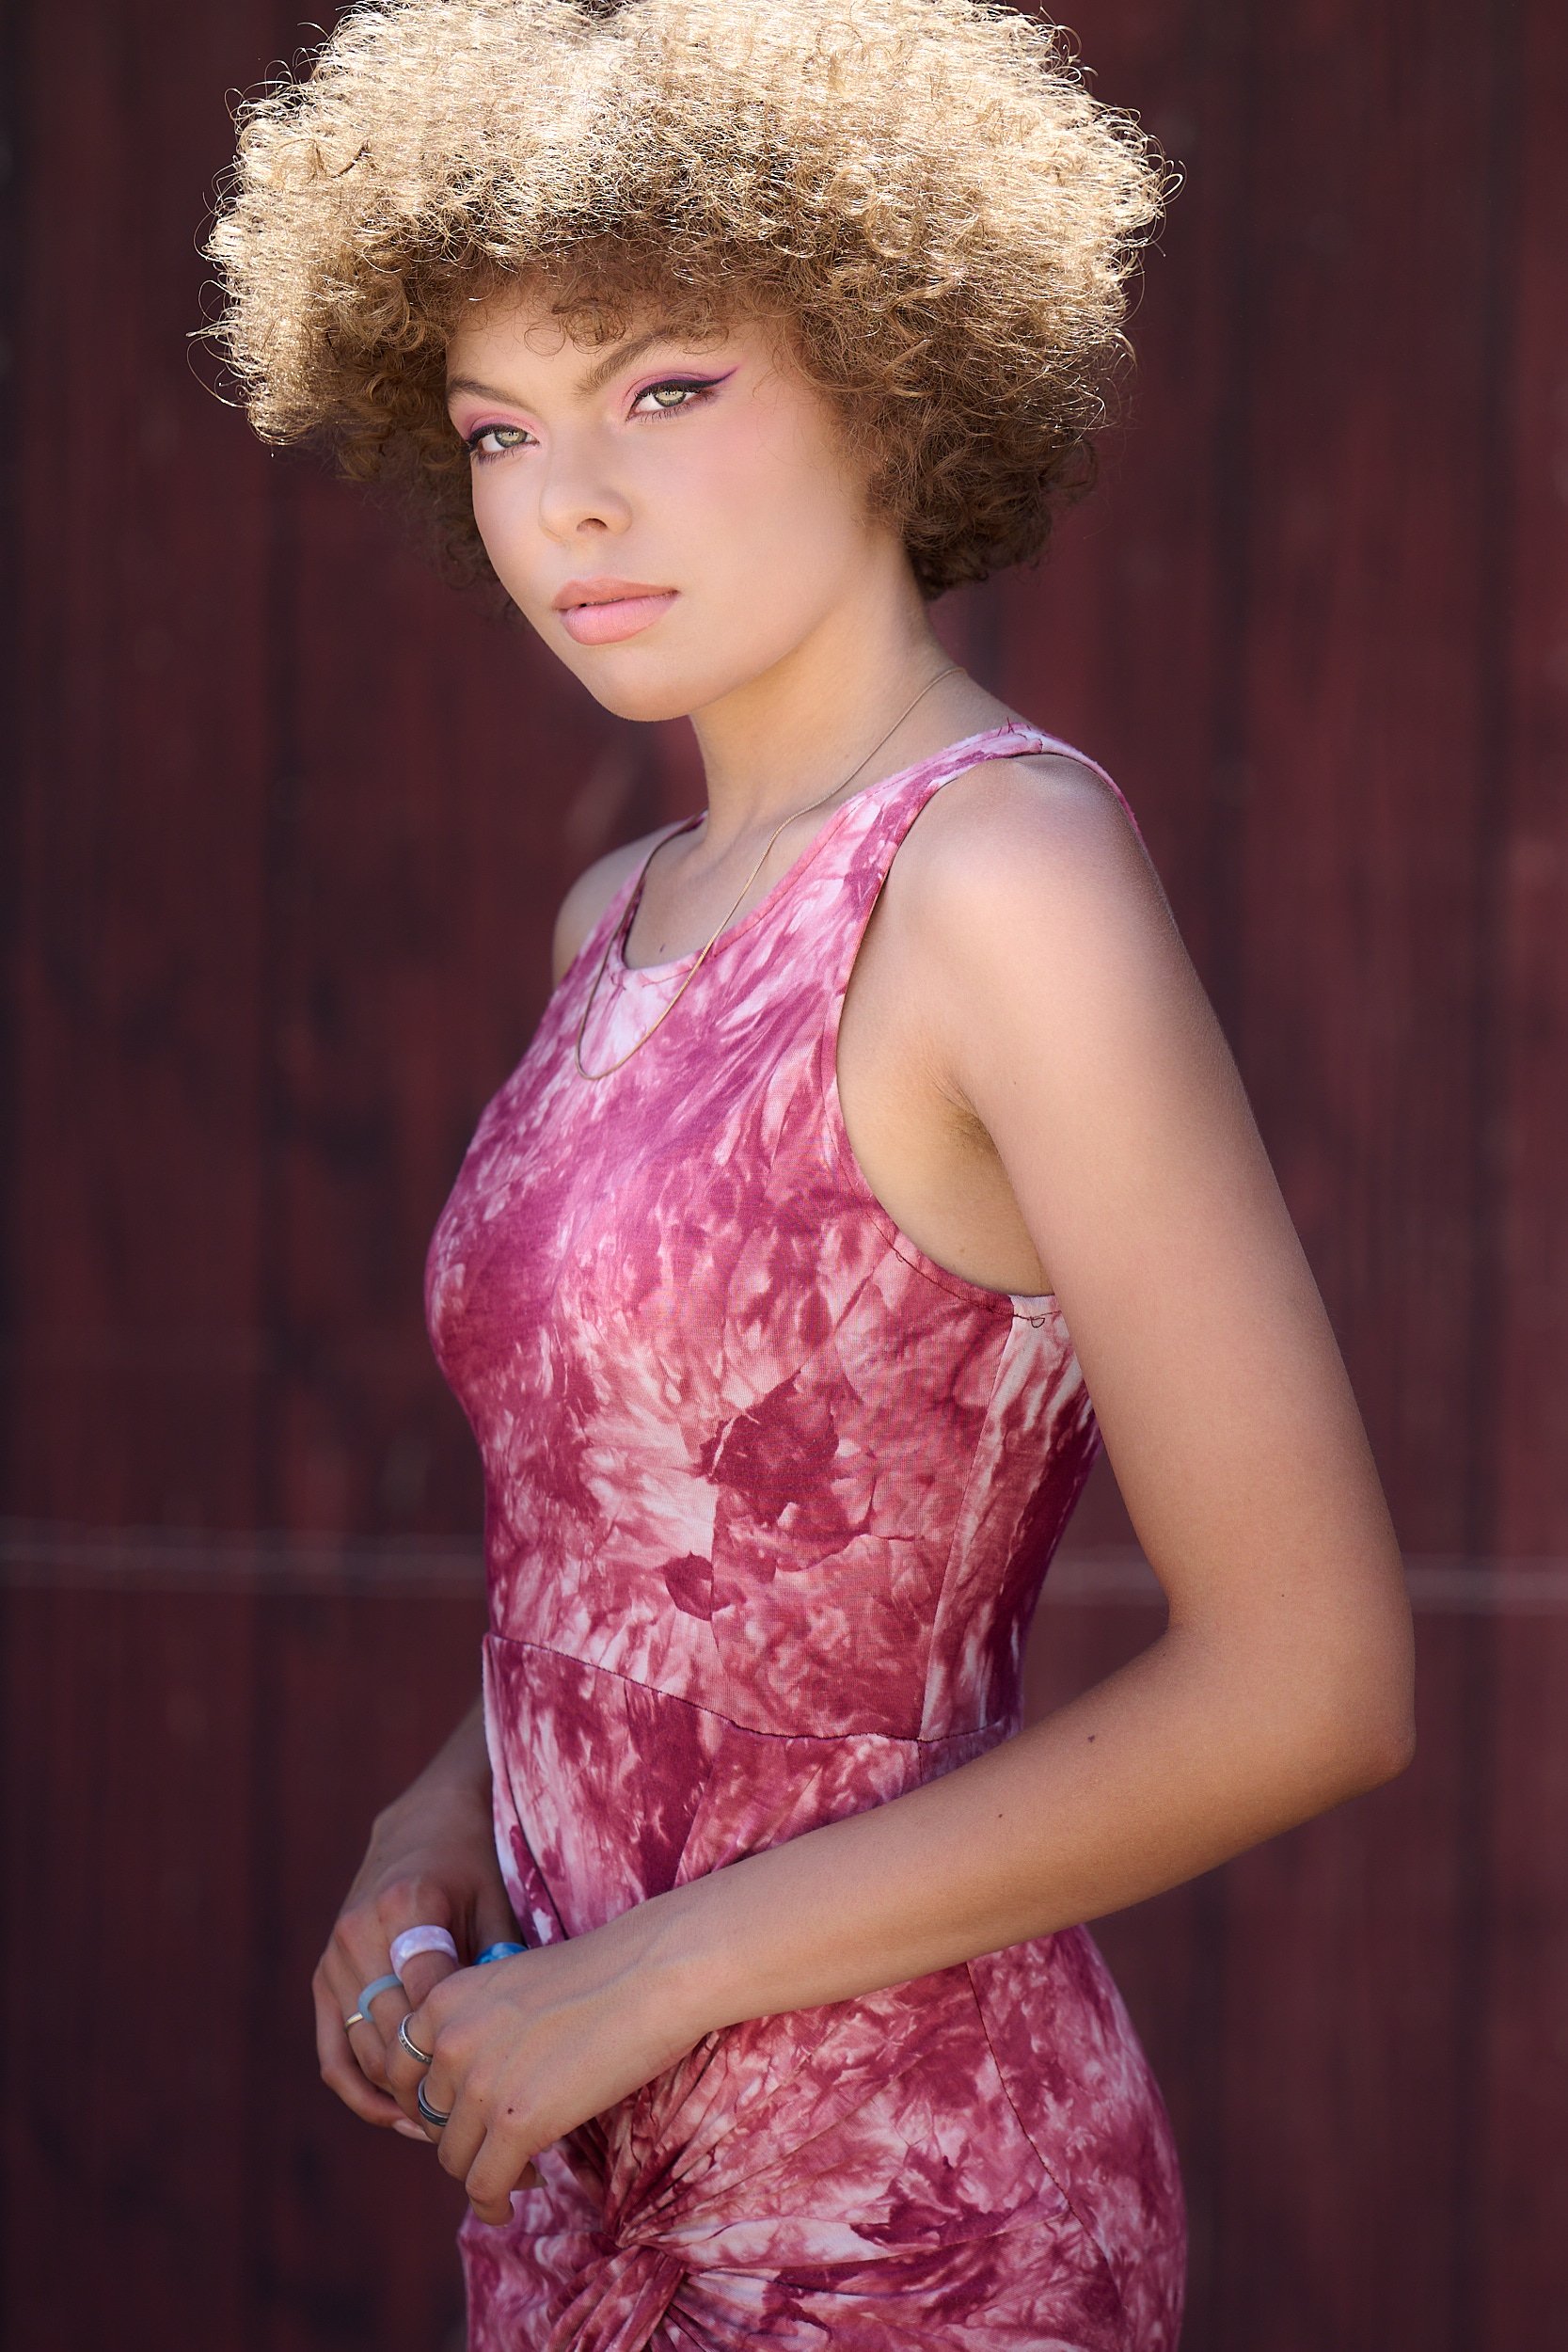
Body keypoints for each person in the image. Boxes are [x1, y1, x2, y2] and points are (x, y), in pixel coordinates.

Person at [203, 3, 1416, 2344]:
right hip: (574, 2188)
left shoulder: (1000, 880)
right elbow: (661, 1556)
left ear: (889, 364)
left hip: (914, 2217)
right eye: (497, 430)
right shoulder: (619, 918)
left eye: (664, 391)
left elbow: (1318, 1675)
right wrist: (436, 1819)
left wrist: (647, 1971)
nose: (571, 499)